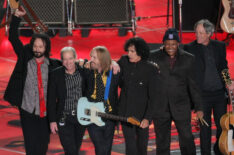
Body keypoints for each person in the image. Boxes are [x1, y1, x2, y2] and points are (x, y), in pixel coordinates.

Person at [3, 7, 61, 155]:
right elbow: (13, 39)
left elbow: (72, 65)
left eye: (40, 46)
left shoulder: (53, 65)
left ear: (46, 47)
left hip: (45, 113)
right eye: (35, 46)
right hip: (27, 110)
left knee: (43, 145)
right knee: (30, 145)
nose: (37, 49)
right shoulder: (25, 58)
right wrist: (16, 18)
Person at [149, 28, 204, 155]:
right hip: (160, 107)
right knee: (162, 141)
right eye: (167, 44)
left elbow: (193, 85)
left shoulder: (188, 58)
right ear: (163, 43)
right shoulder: (153, 56)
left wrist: (199, 107)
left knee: (187, 138)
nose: (170, 47)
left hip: (181, 105)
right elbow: (136, 57)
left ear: (178, 44)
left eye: (173, 44)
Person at [184, 19, 234, 155]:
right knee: (204, 129)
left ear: (209, 33)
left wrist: (229, 82)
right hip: (202, 96)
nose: (197, 35)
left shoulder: (219, 46)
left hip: (219, 94)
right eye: (196, 32)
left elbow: (223, 66)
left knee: (221, 126)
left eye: (201, 33)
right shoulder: (190, 48)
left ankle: (219, 151)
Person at [118, 37, 161, 155]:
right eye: (128, 51)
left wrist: (147, 118)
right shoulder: (123, 62)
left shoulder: (150, 69)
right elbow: (109, 65)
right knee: (130, 148)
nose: (129, 54)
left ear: (140, 52)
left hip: (142, 117)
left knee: (142, 147)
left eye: (132, 51)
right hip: (125, 114)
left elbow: (154, 97)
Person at [47, 47, 86, 155]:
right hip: (64, 117)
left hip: (81, 118)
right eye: (65, 59)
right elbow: (50, 99)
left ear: (75, 58)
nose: (68, 62)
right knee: (70, 150)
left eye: (70, 58)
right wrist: (52, 121)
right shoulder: (56, 74)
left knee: (76, 148)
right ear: (61, 60)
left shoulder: (83, 71)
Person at [84, 46, 119, 155]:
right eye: (91, 57)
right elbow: (71, 63)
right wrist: (81, 61)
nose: (91, 59)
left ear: (102, 59)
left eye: (94, 57)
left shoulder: (114, 73)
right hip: (93, 116)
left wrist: (114, 62)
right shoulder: (87, 71)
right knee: (100, 147)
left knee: (107, 149)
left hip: (110, 117)